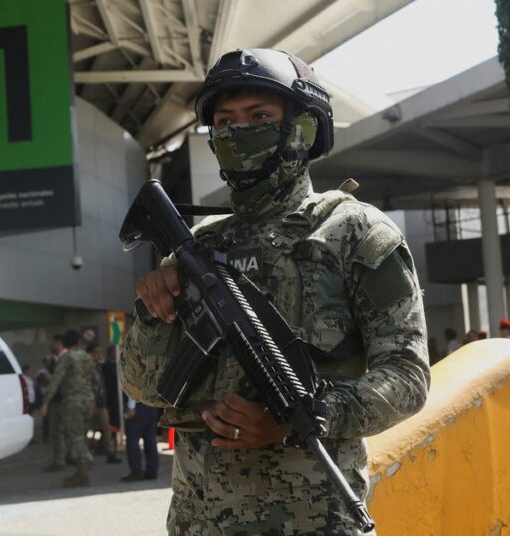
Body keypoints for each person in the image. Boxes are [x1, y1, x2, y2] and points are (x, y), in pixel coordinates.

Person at [121, 48, 430, 535]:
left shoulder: (353, 232)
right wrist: (150, 309)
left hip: (314, 518)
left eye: (259, 116)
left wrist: (307, 415)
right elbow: (139, 386)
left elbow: (408, 378)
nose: (237, 131)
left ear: (303, 129)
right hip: (200, 520)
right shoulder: (194, 250)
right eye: (224, 122)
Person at [38, 330, 96, 487]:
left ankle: (84, 468)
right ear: (78, 342)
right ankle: (81, 470)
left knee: (75, 437)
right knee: (82, 435)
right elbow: (96, 380)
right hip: (88, 400)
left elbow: (56, 380)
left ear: (65, 343)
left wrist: (45, 402)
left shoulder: (67, 357)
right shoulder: (88, 357)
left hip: (73, 401)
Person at [87, 341, 121, 463]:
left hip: (102, 404)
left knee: (106, 429)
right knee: (91, 430)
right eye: (96, 352)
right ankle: (87, 451)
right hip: (91, 403)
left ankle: (110, 453)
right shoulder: (87, 367)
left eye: (100, 352)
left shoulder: (100, 367)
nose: (99, 355)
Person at [121, 397, 160, 482]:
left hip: (138, 406)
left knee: (132, 440)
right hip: (152, 405)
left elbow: (135, 389)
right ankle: (152, 470)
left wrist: (131, 406)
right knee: (150, 440)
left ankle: (136, 471)